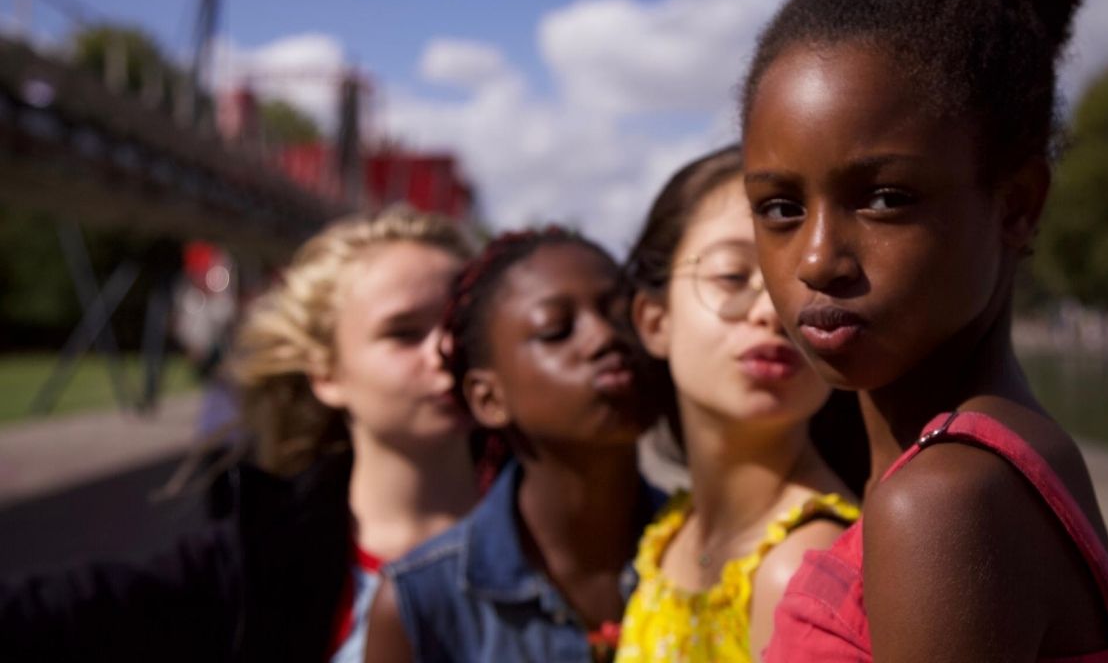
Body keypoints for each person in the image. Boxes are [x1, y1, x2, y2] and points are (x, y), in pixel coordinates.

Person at [738, 0, 1108, 660]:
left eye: (886, 199)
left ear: (1017, 204)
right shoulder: (1000, 456)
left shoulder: (943, 503)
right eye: (778, 207)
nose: (816, 259)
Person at [0, 204, 480, 663]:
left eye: (462, 324)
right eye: (403, 332)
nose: (446, 350)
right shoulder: (253, 571)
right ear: (326, 374)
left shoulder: (550, 531)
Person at [364, 228, 661, 663]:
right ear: (488, 399)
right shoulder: (421, 603)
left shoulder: (717, 558)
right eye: (557, 331)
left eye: (621, 316)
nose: (604, 337)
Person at [616, 145, 860, 662]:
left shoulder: (799, 568)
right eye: (732, 276)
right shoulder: (671, 529)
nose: (772, 312)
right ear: (655, 321)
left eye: (800, 284)